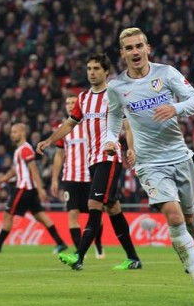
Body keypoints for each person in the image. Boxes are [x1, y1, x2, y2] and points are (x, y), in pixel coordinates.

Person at [103, 28, 194, 305]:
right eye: (129, 48)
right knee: (174, 217)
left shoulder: (166, 73)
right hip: (149, 163)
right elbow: (114, 117)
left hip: (179, 156)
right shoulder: (117, 87)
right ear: (123, 53)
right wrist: (110, 141)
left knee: (189, 218)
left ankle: (188, 253)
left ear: (148, 48)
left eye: (139, 45)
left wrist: (174, 108)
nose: (135, 51)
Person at [36, 53, 142, 271]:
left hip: (109, 157)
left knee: (94, 205)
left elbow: (128, 125)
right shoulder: (83, 98)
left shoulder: (114, 94)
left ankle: (79, 256)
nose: (92, 72)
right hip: (93, 160)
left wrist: (131, 148)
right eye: (89, 69)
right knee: (113, 208)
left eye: (96, 68)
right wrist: (49, 140)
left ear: (105, 72)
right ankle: (133, 258)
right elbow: (68, 124)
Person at [0, 123, 67, 254]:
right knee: (41, 216)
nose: (12, 134)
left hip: (23, 188)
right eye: (12, 132)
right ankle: (60, 243)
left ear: (22, 132)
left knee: (7, 215)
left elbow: (33, 169)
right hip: (29, 190)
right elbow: (14, 170)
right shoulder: (20, 150)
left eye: (15, 132)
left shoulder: (25, 149)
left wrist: (40, 189)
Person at [50, 94, 104, 258]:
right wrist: (54, 179)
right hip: (70, 178)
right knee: (72, 214)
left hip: (90, 176)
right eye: (68, 102)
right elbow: (59, 155)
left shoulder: (91, 125)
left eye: (73, 102)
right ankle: (80, 250)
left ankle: (99, 245)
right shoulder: (62, 128)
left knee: (96, 215)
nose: (70, 105)